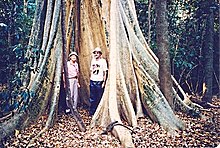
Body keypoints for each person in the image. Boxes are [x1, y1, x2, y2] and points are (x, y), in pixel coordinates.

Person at [89, 47, 108, 116]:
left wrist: (104, 82)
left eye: (97, 53)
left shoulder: (103, 61)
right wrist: (90, 79)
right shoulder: (93, 60)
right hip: (92, 80)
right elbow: (91, 70)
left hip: (99, 81)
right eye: (95, 53)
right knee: (92, 97)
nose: (96, 54)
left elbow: (105, 72)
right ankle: (92, 112)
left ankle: (99, 112)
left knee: (99, 97)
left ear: (100, 54)